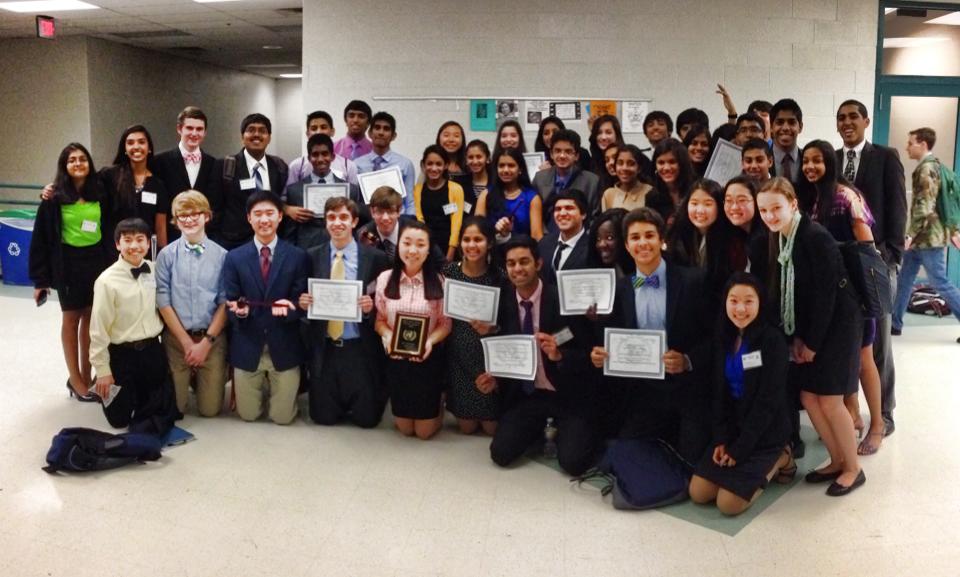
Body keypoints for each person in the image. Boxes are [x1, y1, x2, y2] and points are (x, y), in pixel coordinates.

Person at [753, 177, 865, 496]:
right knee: (807, 397)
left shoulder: (815, 237)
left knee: (829, 399)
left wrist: (812, 343)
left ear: (793, 204)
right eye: (764, 210)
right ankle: (836, 459)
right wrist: (795, 338)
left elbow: (826, 295)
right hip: (811, 326)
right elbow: (790, 296)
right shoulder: (779, 238)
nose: (770, 215)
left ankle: (853, 468)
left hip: (837, 325)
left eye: (776, 208)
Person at [590, 208, 711, 462]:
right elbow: (613, 339)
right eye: (635, 237)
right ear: (626, 244)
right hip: (645, 390)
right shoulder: (620, 289)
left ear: (661, 240)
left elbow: (715, 337)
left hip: (688, 388)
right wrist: (601, 354)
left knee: (691, 461)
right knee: (626, 455)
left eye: (649, 235)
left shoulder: (693, 281)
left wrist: (688, 360)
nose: (643, 243)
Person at [480, 235, 598, 476]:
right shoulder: (502, 302)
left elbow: (588, 354)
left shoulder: (563, 300)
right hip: (527, 395)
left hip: (566, 393)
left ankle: (569, 429)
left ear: (539, 264)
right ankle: (540, 429)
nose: (517, 269)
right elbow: (502, 351)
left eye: (524, 262)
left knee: (573, 463)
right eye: (511, 264)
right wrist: (494, 379)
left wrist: (559, 355)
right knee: (500, 454)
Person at [797, 140, 885, 455]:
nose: (810, 167)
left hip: (854, 295)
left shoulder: (846, 196)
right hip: (826, 296)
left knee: (863, 360)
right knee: (842, 362)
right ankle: (851, 419)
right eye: (805, 161)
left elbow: (868, 248)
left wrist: (866, 297)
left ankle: (877, 425)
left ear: (829, 164)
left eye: (817, 161)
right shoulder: (806, 199)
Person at [688, 273, 796, 516]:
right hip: (734, 430)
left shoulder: (773, 341)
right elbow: (719, 394)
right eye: (733, 300)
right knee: (699, 493)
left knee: (728, 504)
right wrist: (721, 440)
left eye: (749, 301)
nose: (740, 309)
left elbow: (767, 404)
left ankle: (782, 456)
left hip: (765, 433)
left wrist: (740, 450)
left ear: (760, 303)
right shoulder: (723, 337)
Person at [835, 99, 906, 437]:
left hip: (878, 263)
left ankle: (885, 413)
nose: (847, 123)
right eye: (841, 118)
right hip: (843, 266)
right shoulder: (832, 160)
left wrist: (892, 255)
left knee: (878, 344)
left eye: (853, 117)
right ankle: (851, 414)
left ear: (865, 121)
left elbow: (897, 206)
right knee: (852, 342)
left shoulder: (885, 157)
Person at [299, 197, 391, 427]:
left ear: (355, 221)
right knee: (323, 418)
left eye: (343, 217)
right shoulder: (311, 255)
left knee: (367, 420)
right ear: (325, 222)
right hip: (326, 345)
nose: (337, 223)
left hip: (359, 346)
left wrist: (370, 308)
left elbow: (385, 301)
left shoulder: (375, 258)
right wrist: (304, 303)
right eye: (331, 217)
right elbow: (302, 296)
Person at [29, 143, 110, 402]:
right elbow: (41, 239)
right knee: (71, 320)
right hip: (68, 265)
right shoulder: (53, 198)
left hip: (96, 263)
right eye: (72, 160)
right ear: (64, 165)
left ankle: (88, 375)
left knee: (91, 320)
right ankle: (75, 380)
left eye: (82, 159)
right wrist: (41, 280)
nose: (78, 163)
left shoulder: (100, 191)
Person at [222, 190, 309, 425]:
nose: (264, 220)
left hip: (284, 342)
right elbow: (230, 300)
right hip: (248, 344)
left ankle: (282, 391)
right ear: (249, 218)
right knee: (248, 415)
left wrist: (289, 308)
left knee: (282, 418)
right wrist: (237, 311)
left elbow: (301, 303)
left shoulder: (297, 256)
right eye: (257, 214)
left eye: (270, 213)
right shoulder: (234, 257)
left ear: (280, 216)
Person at [89, 218, 177, 429]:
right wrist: (103, 371)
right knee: (119, 421)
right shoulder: (106, 281)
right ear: (118, 244)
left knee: (159, 414)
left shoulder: (155, 270)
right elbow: (98, 330)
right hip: (121, 354)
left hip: (151, 350)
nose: (134, 246)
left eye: (140, 240)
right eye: (127, 240)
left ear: (149, 243)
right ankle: (106, 385)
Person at [374, 221, 452, 439]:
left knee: (424, 432)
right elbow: (379, 320)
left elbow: (445, 323)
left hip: (427, 359)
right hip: (397, 359)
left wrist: (430, 341)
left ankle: (439, 401)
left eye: (420, 245)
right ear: (398, 246)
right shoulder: (385, 279)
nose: (412, 250)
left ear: (428, 251)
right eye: (406, 243)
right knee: (406, 429)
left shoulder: (440, 281)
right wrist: (388, 334)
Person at [155, 190, 228, 417]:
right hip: (177, 340)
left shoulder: (223, 255)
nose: (188, 219)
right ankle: (185, 375)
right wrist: (186, 342)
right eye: (181, 215)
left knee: (210, 410)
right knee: (176, 409)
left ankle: (202, 377)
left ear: (206, 216)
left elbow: (225, 303)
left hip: (211, 339)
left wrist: (205, 343)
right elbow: (163, 300)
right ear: (175, 221)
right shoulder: (166, 255)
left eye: (194, 213)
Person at [893, 127, 960, 342]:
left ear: (923, 144)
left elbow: (925, 206)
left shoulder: (926, 169)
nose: (907, 146)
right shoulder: (935, 166)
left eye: (911, 142)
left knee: (940, 282)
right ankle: (895, 324)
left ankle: (895, 323)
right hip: (925, 237)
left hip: (928, 237)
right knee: (905, 279)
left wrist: (909, 235)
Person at [443, 218, 505, 434]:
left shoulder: (500, 277)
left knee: (491, 429)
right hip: (458, 357)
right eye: (466, 239)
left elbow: (509, 322)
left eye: (478, 239)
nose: (471, 245)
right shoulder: (449, 273)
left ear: (489, 243)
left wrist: (493, 328)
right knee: (467, 428)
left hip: (488, 360)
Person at [207, 113, 288, 250]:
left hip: (270, 244)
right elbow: (213, 209)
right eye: (251, 130)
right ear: (242, 137)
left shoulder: (279, 167)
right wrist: (217, 244)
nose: (256, 134)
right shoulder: (224, 166)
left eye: (262, 131)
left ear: (269, 138)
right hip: (232, 245)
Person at [282, 133, 367, 251]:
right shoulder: (294, 190)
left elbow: (355, 225)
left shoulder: (350, 190)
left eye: (325, 154)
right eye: (315, 155)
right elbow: (290, 232)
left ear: (332, 156)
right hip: (306, 250)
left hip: (341, 248)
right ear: (309, 158)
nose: (320, 159)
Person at [152, 106, 215, 243]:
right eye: (189, 128)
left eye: (199, 129)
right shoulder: (159, 162)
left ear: (205, 132)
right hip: (171, 239)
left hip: (204, 238)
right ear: (179, 129)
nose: (194, 133)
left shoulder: (214, 163)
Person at [101, 125, 170, 250]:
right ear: (125, 149)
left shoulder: (158, 185)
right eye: (130, 143)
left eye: (142, 142)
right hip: (115, 252)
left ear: (149, 148)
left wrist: (163, 258)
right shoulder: (110, 176)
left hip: (145, 253)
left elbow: (160, 228)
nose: (136, 147)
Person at [357, 186, 446, 268]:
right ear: (372, 212)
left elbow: (442, 264)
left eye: (390, 212)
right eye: (379, 212)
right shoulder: (364, 234)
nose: (385, 218)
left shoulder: (416, 231)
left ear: (399, 211)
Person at [531, 129, 600, 228]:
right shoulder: (539, 178)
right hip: (545, 237)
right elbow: (535, 215)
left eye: (568, 151)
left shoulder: (592, 181)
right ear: (551, 154)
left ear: (576, 156)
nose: (562, 156)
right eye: (557, 151)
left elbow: (594, 218)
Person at [355, 111, 416, 215]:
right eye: (377, 128)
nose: (381, 132)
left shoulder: (405, 164)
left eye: (386, 129)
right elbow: (355, 200)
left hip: (397, 219)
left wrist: (408, 223)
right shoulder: (357, 164)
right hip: (367, 220)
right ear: (370, 133)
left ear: (394, 136)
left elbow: (409, 201)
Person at [477, 147, 543, 240]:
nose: (506, 170)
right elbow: (477, 232)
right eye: (501, 166)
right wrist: (495, 231)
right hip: (492, 251)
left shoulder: (532, 198)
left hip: (522, 251)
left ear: (520, 169)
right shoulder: (485, 195)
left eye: (511, 165)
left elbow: (536, 237)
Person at [413, 145, 465, 261]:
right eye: (430, 164)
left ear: (446, 165)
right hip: (425, 246)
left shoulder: (456, 189)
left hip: (449, 247)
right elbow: (419, 219)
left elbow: (456, 223)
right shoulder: (417, 190)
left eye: (438, 164)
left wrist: (450, 253)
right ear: (423, 165)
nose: (434, 168)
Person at [287, 110, 360, 186]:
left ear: (332, 131)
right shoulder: (297, 166)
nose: (319, 131)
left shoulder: (349, 166)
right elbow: (291, 194)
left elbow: (353, 195)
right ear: (307, 133)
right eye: (314, 128)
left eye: (323, 127)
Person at [538, 189, 593, 285]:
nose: (562, 213)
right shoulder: (544, 243)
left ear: (583, 214)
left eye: (569, 208)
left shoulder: (593, 248)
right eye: (558, 209)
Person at [647, 139, 696, 226]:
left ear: (682, 163)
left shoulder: (696, 189)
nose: (666, 168)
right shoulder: (652, 197)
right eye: (661, 163)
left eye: (672, 162)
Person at [602, 144, 653, 212]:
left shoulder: (649, 192)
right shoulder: (609, 194)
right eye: (620, 163)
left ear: (639, 168)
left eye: (631, 164)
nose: (624, 168)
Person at [588, 208, 632, 277]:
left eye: (609, 238)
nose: (602, 244)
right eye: (598, 239)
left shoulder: (645, 273)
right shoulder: (592, 273)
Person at [769, 99, 803, 182]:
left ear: (800, 127)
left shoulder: (809, 160)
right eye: (779, 122)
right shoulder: (761, 160)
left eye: (792, 122)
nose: (785, 128)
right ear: (771, 127)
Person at [436, 121, 472, 192]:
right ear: (439, 138)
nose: (451, 140)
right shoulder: (430, 163)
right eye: (446, 135)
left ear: (462, 140)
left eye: (456, 136)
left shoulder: (470, 163)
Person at [588, 114, 624, 180]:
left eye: (608, 132)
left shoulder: (628, 156)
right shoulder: (594, 162)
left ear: (617, 134)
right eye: (599, 133)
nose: (603, 137)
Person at [465, 139, 492, 211]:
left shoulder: (496, 183)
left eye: (479, 157)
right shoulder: (461, 184)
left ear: (487, 158)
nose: (475, 161)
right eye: (470, 157)